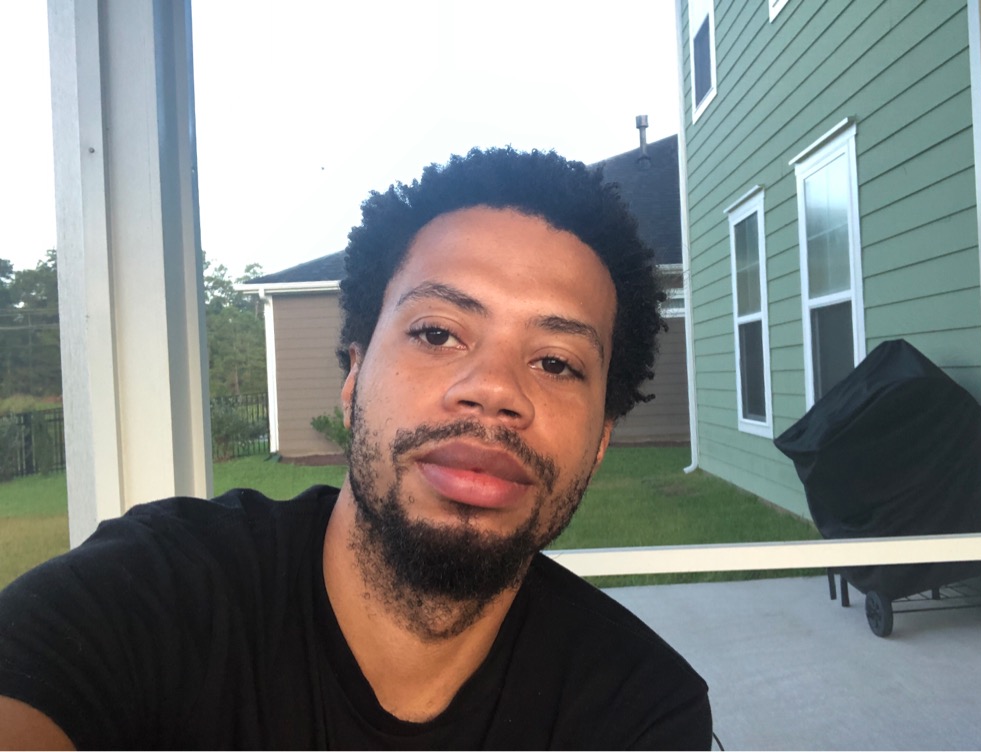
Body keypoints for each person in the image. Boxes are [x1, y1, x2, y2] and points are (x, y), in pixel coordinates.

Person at [0, 147, 711, 749]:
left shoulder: (638, 710)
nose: (494, 390)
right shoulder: (151, 597)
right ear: (353, 378)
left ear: (599, 442)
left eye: (556, 362)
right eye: (437, 333)